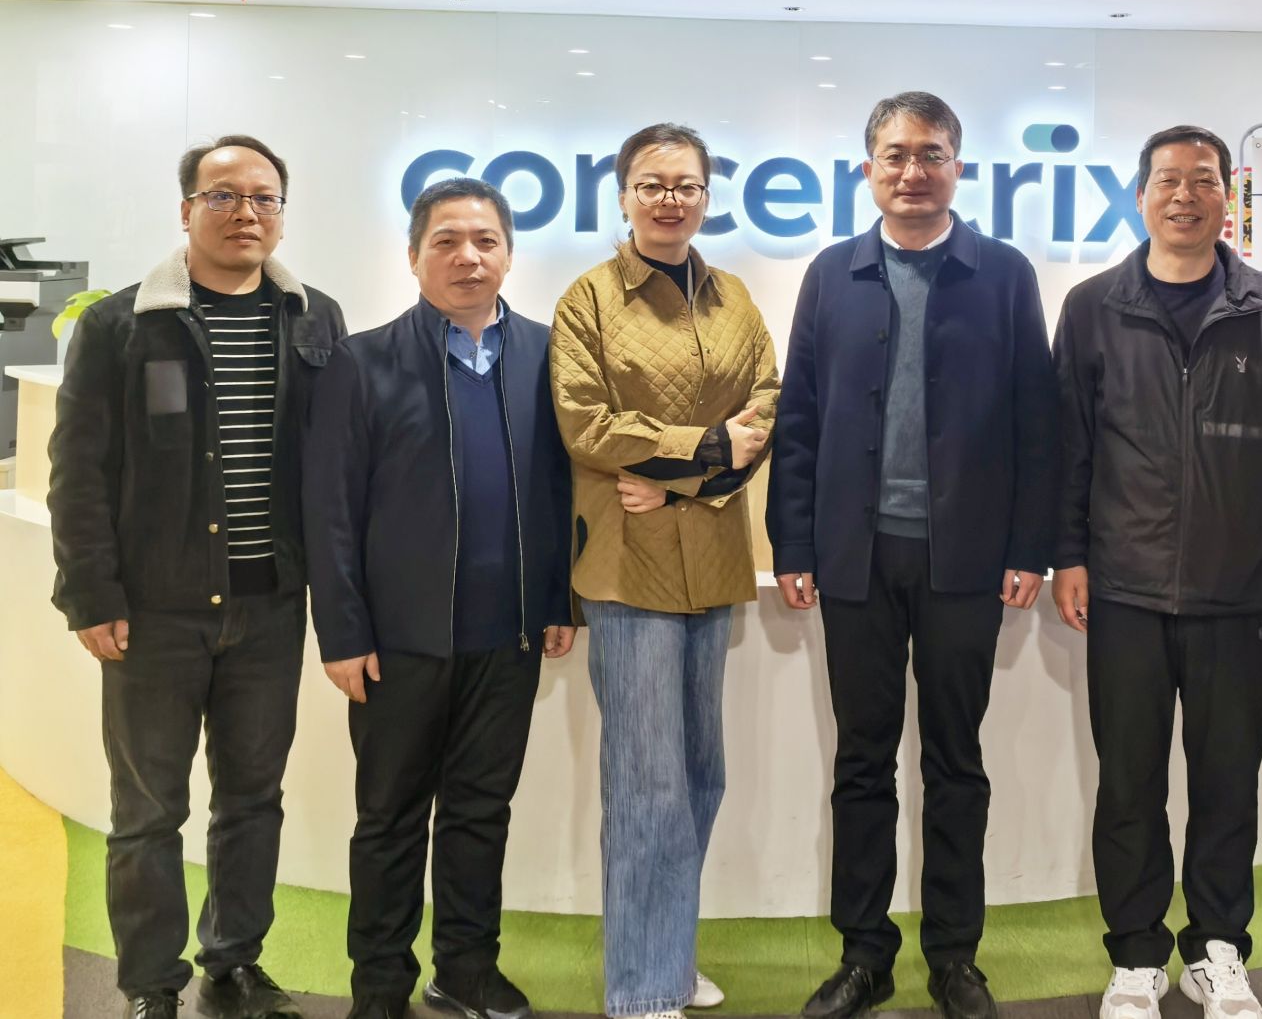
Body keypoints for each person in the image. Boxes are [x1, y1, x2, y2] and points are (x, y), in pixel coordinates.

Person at [768, 91, 1057, 1019]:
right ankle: (864, 953)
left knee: (955, 763)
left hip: (964, 560)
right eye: (894, 155)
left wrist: (1030, 545)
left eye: (931, 154)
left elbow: (1036, 419)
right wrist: (792, 541)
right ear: (868, 169)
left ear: (957, 167)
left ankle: (954, 955)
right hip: (854, 558)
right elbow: (799, 416)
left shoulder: (1003, 273)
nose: (912, 171)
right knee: (861, 762)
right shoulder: (832, 273)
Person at [49, 136, 345, 1019]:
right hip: (155, 614)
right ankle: (149, 982)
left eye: (263, 196)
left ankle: (234, 959)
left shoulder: (313, 318)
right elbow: (79, 471)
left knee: (253, 799)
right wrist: (90, 593)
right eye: (223, 195)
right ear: (187, 210)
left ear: (281, 213)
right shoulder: (123, 325)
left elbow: (334, 465)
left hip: (270, 608)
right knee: (148, 809)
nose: (245, 212)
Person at [1052, 125, 1262, 1019]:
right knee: (1128, 783)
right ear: (1140, 196)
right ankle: (1136, 956)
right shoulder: (1093, 307)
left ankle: (1217, 950)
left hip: (1234, 588)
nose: (1184, 195)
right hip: (1123, 586)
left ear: (1227, 198)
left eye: (1203, 180)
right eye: (1168, 180)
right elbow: (1068, 445)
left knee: (1226, 782)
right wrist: (1068, 553)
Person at [303, 178, 574, 1019]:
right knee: (388, 820)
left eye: (486, 241)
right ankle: (380, 984)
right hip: (399, 641)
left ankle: (466, 967)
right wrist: (342, 631)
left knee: (480, 812)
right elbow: (330, 508)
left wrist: (557, 599)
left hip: (508, 638)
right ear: (413, 256)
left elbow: (563, 490)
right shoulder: (363, 361)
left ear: (508, 255)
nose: (468, 257)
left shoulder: (546, 353)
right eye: (447, 240)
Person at [552, 123, 781, 1019]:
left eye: (686, 184)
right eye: (652, 184)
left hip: (712, 559)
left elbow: (765, 412)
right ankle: (641, 988)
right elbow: (587, 426)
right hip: (627, 568)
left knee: (698, 774)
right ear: (623, 196)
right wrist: (709, 448)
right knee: (646, 782)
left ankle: (671, 959)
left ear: (707, 197)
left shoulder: (733, 298)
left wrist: (682, 479)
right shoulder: (588, 300)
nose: (670, 199)